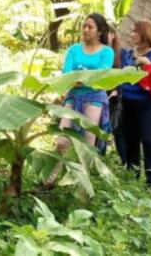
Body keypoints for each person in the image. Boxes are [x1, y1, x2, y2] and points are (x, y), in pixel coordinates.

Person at [44, 14, 115, 185]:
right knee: (62, 140)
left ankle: (83, 184)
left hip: (94, 99)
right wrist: (81, 78)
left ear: (100, 31)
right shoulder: (74, 49)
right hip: (73, 97)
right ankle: (50, 178)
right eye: (84, 26)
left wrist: (79, 78)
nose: (85, 30)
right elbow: (67, 73)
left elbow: (101, 76)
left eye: (90, 27)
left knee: (88, 143)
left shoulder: (107, 51)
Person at [118, 20, 151, 186]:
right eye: (132, 31)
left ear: (145, 33)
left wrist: (148, 64)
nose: (132, 34)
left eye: (136, 31)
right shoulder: (127, 54)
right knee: (130, 141)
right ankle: (132, 176)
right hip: (128, 102)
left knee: (149, 141)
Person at [107, 25, 126, 162]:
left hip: (116, 97)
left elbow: (125, 74)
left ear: (113, 35)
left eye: (107, 33)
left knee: (118, 130)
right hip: (99, 93)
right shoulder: (97, 52)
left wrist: (116, 90)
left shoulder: (121, 53)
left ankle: (125, 161)